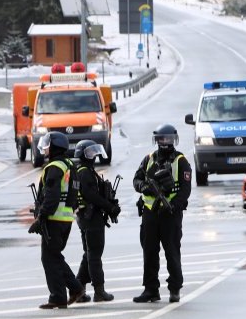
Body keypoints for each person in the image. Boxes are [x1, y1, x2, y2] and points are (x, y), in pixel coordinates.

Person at [131, 124, 192, 303]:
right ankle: (151, 290)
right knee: (149, 251)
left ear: (174, 140)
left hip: (170, 214)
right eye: (161, 139)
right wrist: (144, 187)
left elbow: (185, 189)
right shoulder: (148, 159)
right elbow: (136, 179)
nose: (165, 142)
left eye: (168, 139)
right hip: (150, 213)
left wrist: (172, 205)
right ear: (157, 140)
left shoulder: (180, 161)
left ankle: (174, 289)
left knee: (172, 251)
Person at [29, 132, 84, 308]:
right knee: (53, 257)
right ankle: (65, 294)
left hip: (53, 219)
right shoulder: (69, 165)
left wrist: (41, 217)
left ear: (54, 147)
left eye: (47, 145)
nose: (44, 149)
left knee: (50, 258)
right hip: (65, 219)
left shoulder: (54, 167)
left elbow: (51, 196)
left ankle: (67, 292)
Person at [71, 139, 121, 303]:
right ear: (83, 154)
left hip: (86, 217)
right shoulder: (85, 172)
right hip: (91, 218)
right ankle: (99, 291)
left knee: (89, 254)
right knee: (94, 255)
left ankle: (78, 289)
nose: (94, 155)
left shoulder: (83, 170)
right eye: (90, 152)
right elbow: (91, 195)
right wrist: (109, 206)